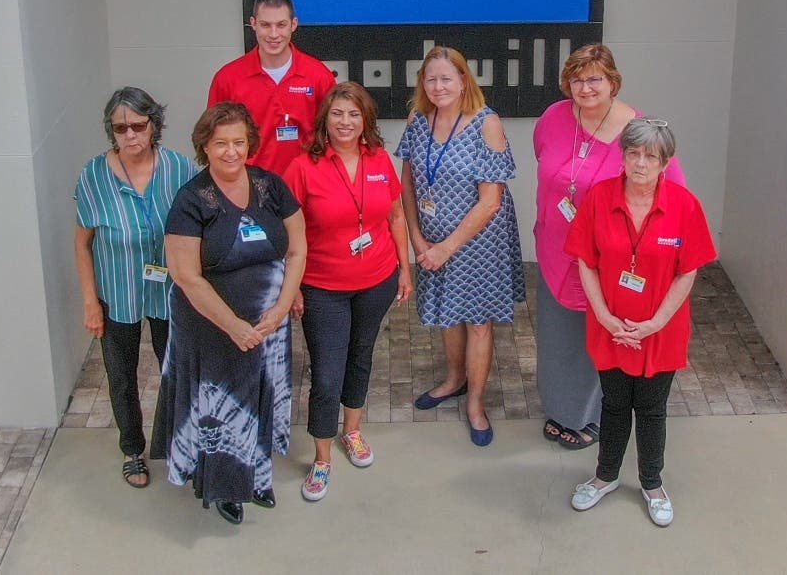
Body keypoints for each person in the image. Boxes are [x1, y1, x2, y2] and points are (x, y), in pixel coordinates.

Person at [156, 102, 306, 525]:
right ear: (205, 146)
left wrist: (279, 309)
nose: (231, 151)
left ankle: (258, 477)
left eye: (239, 142)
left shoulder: (270, 186)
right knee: (221, 405)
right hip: (213, 327)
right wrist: (235, 326)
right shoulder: (191, 200)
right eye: (221, 143)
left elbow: (297, 248)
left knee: (260, 395)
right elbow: (187, 277)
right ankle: (226, 490)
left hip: (268, 325)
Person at [533, 44, 686, 451]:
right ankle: (562, 408)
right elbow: (545, 163)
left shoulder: (638, 131)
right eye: (577, 79)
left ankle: (594, 416)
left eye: (595, 78)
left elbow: (673, 195)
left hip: (611, 259)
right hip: (556, 249)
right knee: (559, 338)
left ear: (613, 82)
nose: (585, 87)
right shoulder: (552, 118)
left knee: (600, 336)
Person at [563, 118, 716, 526]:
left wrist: (654, 323)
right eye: (633, 153)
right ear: (624, 156)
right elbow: (585, 261)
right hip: (609, 326)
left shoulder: (685, 205)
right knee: (614, 404)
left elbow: (688, 272)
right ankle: (605, 477)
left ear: (665, 162)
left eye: (651, 156)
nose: (641, 163)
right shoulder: (598, 198)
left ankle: (651, 483)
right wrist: (606, 317)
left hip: (661, 331)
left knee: (651, 409)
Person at [283, 82, 414, 501]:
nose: (345, 122)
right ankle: (322, 456)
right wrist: (293, 287)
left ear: (365, 121)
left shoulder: (378, 160)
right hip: (323, 286)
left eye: (353, 115)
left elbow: (395, 216)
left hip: (376, 279)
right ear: (325, 119)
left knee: (361, 357)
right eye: (338, 114)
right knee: (326, 372)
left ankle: (352, 431)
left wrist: (404, 269)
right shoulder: (303, 167)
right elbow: (289, 231)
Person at [396, 46, 524, 447]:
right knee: (448, 317)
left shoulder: (486, 123)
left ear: (464, 80)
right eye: (430, 79)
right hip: (432, 240)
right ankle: (453, 379)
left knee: (478, 321)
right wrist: (418, 238)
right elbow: (408, 182)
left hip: (478, 243)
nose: (438, 86)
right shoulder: (418, 120)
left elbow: (491, 200)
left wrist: (445, 248)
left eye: (446, 78)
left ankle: (476, 403)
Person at [73, 87, 197, 489]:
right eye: (120, 128)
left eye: (138, 126)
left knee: (174, 370)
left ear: (154, 125)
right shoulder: (94, 175)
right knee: (121, 375)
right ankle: (132, 449)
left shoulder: (179, 169)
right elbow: (82, 243)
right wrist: (90, 301)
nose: (129, 136)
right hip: (117, 292)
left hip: (170, 291)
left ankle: (179, 442)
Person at [206, 0, 336, 175]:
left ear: (293, 24)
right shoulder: (228, 78)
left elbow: (333, 134)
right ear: (253, 24)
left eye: (281, 25)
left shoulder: (318, 75)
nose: (273, 34)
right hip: (250, 186)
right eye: (265, 25)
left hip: (307, 185)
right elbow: (213, 137)